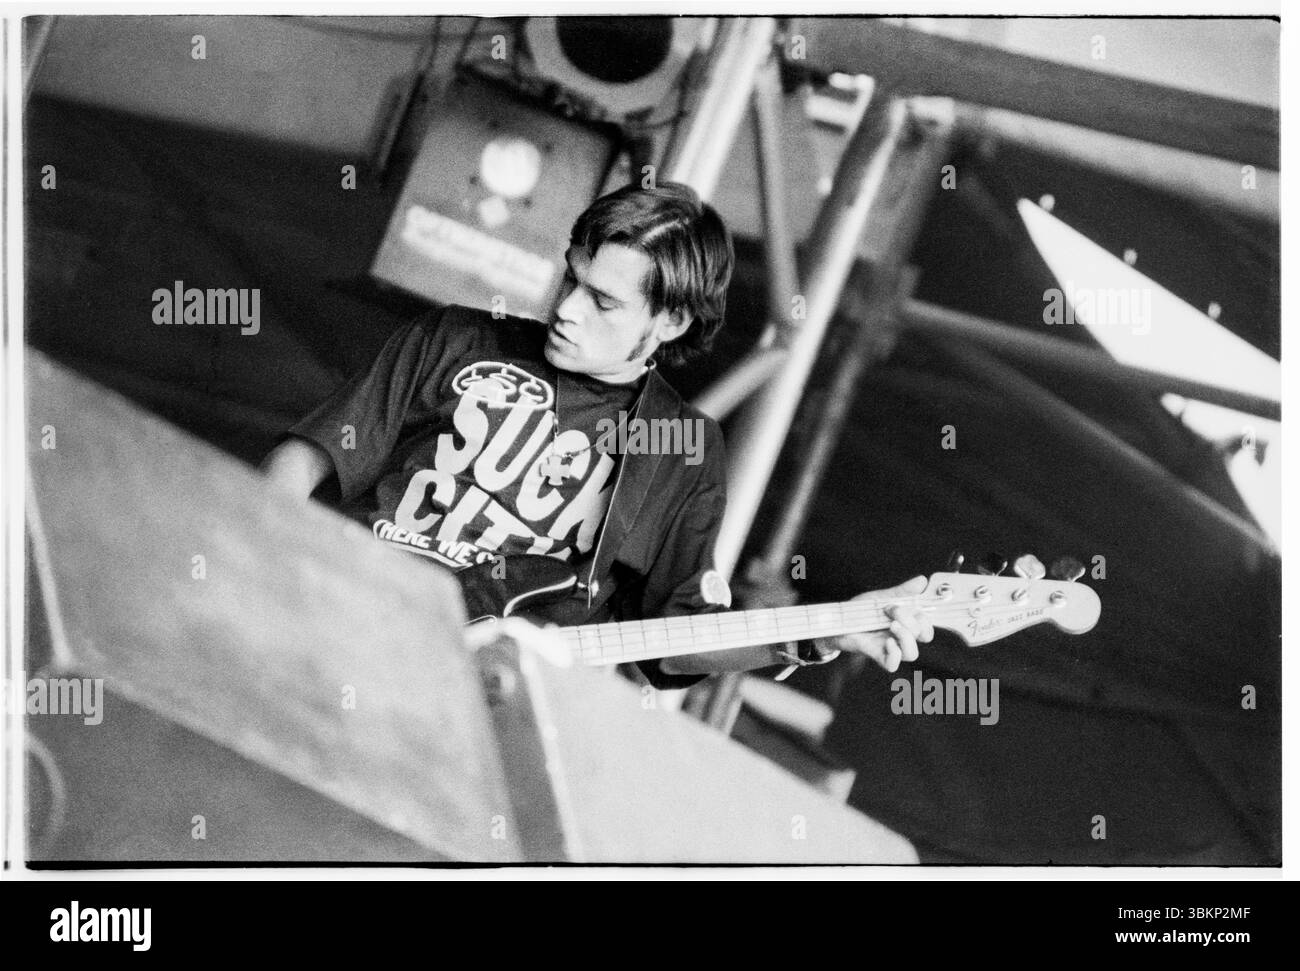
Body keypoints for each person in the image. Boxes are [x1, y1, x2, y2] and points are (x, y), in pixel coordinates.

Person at [260, 180, 931, 687]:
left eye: (604, 301)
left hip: (467, 691)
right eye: (572, 279)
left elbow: (678, 640)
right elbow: (305, 457)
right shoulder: (457, 337)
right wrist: (260, 560)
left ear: (668, 322)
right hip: (337, 605)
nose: (569, 310)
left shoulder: (682, 450)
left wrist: (822, 635)